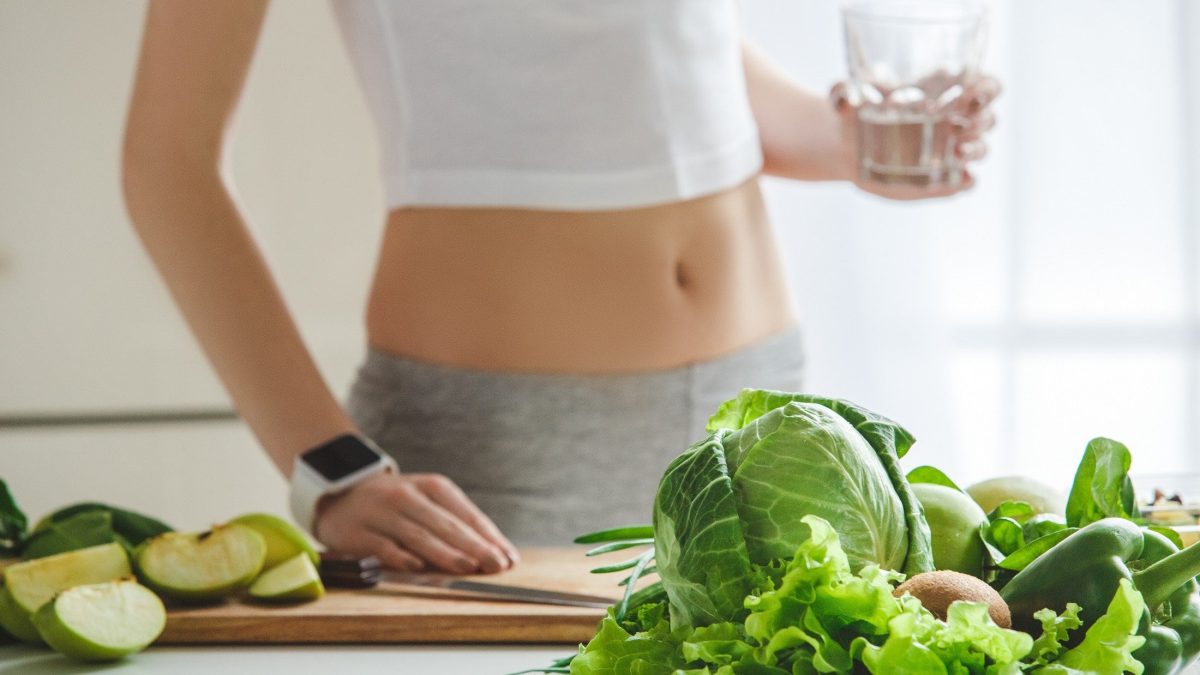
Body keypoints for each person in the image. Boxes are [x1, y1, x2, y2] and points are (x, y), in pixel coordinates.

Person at [121, 1, 998, 576]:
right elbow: (167, 165)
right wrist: (332, 469)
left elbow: (666, 43)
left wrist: (840, 138)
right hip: (502, 454)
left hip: (758, 407)